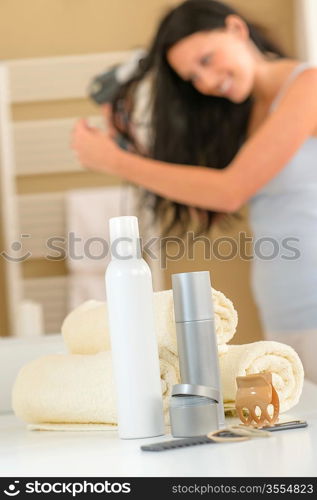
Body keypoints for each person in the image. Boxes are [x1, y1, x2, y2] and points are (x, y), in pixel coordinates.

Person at [71, 0, 317, 382]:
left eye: (206, 59)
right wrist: (125, 147)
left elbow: (230, 190)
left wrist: (112, 162)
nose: (206, 82)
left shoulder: (308, 85)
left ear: (236, 29)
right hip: (284, 311)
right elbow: (204, 193)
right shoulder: (248, 115)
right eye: (192, 77)